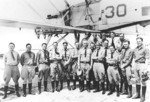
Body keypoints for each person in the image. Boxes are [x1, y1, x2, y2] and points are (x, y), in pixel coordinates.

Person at [132, 37, 150, 102]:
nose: (138, 42)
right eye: (137, 41)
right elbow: (134, 58)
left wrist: (145, 68)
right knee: (137, 80)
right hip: (136, 65)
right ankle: (137, 94)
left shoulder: (145, 49)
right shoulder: (135, 49)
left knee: (143, 80)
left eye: (139, 41)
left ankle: (143, 96)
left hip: (142, 65)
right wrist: (133, 66)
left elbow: (147, 59)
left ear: (142, 41)